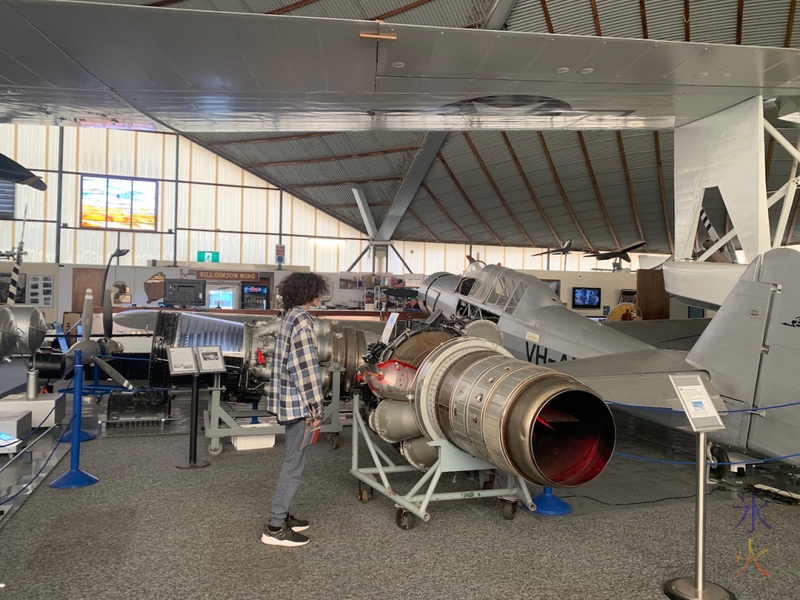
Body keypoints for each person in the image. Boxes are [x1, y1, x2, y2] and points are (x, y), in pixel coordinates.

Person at [262, 271, 328, 548]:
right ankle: (275, 527)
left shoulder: (289, 316)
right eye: (318, 290)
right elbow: (304, 369)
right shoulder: (302, 320)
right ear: (309, 292)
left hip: (288, 401)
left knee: (292, 461)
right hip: (300, 404)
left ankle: (284, 516)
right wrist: (316, 404)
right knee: (293, 465)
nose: (321, 295)